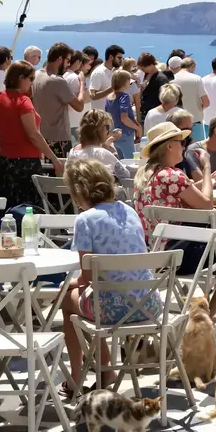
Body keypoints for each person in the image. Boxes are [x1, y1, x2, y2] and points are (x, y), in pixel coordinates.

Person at [131, 123, 216, 337]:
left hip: (157, 255)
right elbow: (207, 204)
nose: (184, 146)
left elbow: (182, 195)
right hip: (179, 255)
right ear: (169, 146)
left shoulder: (148, 174)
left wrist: (207, 182)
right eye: (181, 142)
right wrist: (207, 167)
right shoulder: (174, 175)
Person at [59, 158, 160, 398]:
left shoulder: (85, 220)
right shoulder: (129, 211)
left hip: (113, 309)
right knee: (89, 297)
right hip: (148, 303)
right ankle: (105, 372)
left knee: (68, 301)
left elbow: (86, 276)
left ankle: (76, 377)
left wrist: (70, 285)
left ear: (78, 191)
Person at [0, 60, 64, 208]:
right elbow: (33, 134)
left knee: (8, 207)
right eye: (31, 79)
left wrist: (8, 142)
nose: (32, 83)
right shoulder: (23, 102)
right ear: (21, 78)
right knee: (28, 208)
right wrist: (54, 159)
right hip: (26, 163)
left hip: (5, 161)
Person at [33, 42, 88, 160]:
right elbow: (79, 106)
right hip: (58, 138)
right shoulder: (58, 81)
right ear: (59, 59)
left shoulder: (36, 75)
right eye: (68, 61)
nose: (68, 65)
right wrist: (82, 83)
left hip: (41, 135)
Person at [68, 110, 131, 179]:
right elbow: (125, 175)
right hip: (99, 189)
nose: (109, 130)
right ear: (98, 129)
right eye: (107, 127)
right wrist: (114, 153)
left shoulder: (73, 152)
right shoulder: (102, 154)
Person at [105, 69, 142, 159]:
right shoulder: (124, 97)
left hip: (115, 133)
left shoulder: (109, 97)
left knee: (121, 162)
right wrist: (138, 128)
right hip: (126, 133)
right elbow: (124, 118)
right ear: (124, 83)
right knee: (131, 161)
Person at [64, 51, 89, 144]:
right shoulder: (74, 78)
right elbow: (79, 100)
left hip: (67, 121)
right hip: (75, 122)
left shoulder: (63, 75)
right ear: (78, 62)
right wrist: (83, 82)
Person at [138, 52, 167, 119]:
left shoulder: (161, 79)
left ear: (150, 65)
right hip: (147, 113)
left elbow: (165, 97)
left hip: (157, 114)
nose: (142, 71)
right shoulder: (148, 76)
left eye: (143, 69)